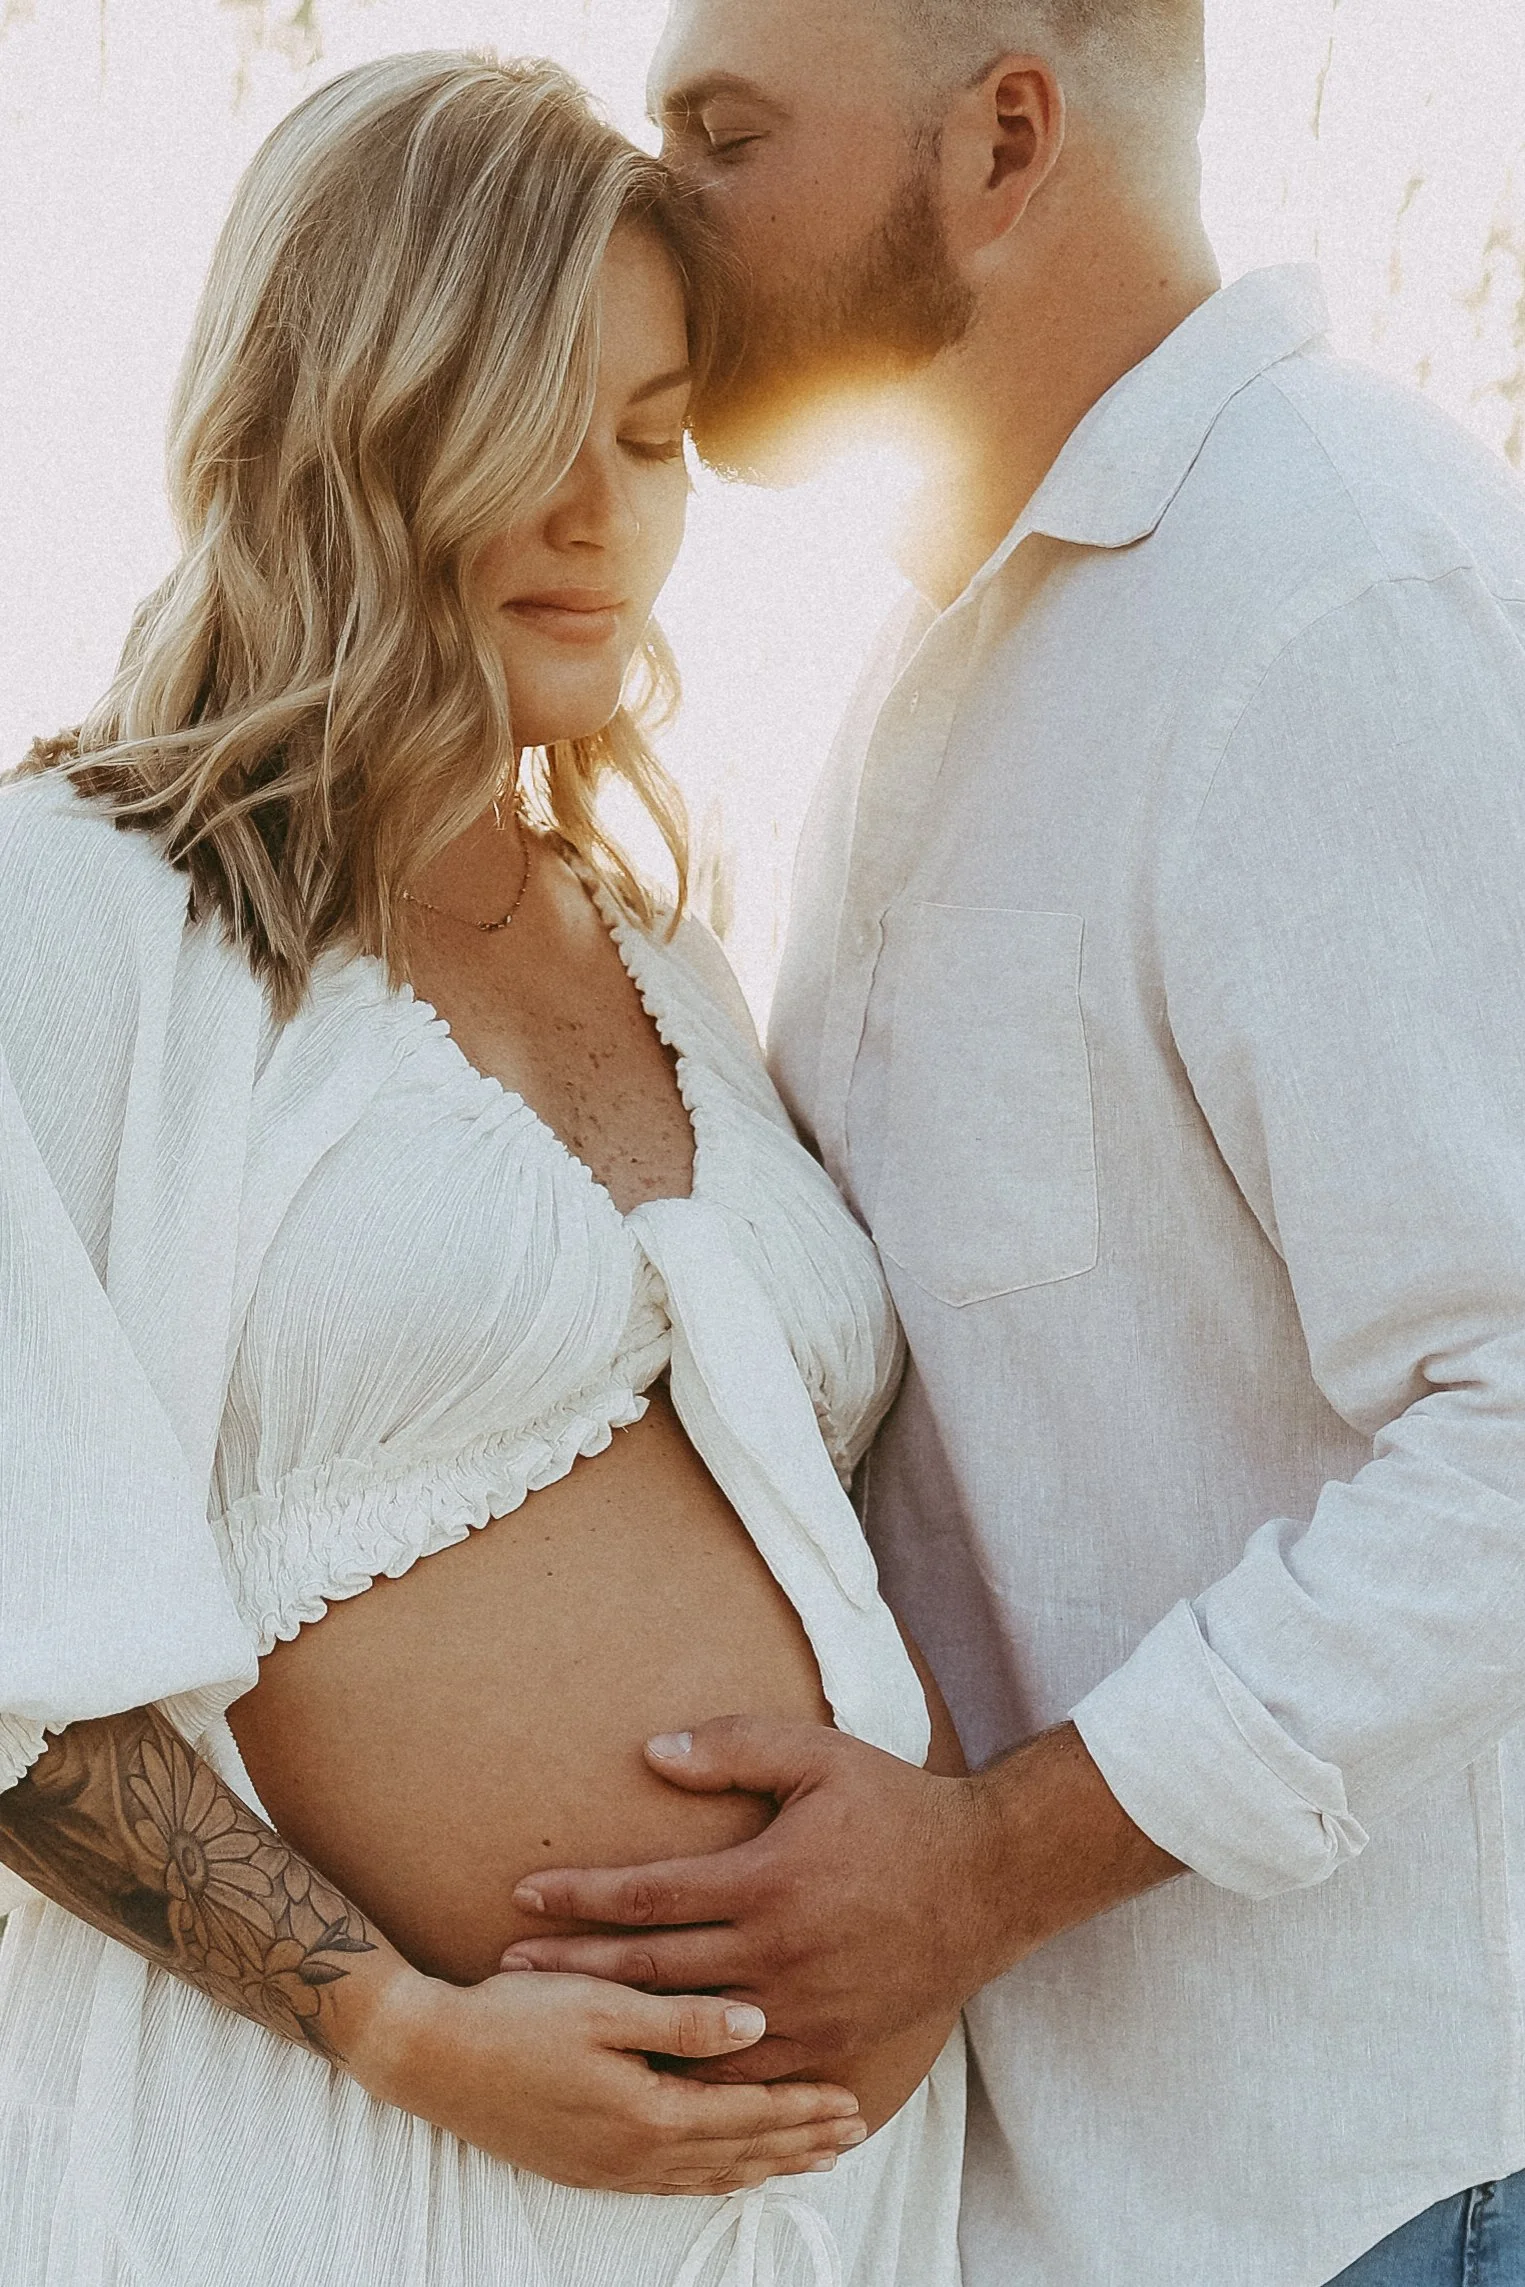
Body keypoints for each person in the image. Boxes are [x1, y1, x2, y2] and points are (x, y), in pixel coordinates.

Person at [498, 3, 1525, 2282]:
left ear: (1008, 138)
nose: (651, 197)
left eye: (725, 130)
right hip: (1044, 2201)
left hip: (1368, 2203)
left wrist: (981, 1861)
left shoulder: (1335, 592)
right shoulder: (938, 662)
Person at [0, 52, 968, 2287]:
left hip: (810, 2225)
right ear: (348, 416)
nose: (598, 515)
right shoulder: (74, 917)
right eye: (529, 427)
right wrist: (397, 2031)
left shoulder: (671, 964)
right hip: (325, 2182)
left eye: (650, 438)